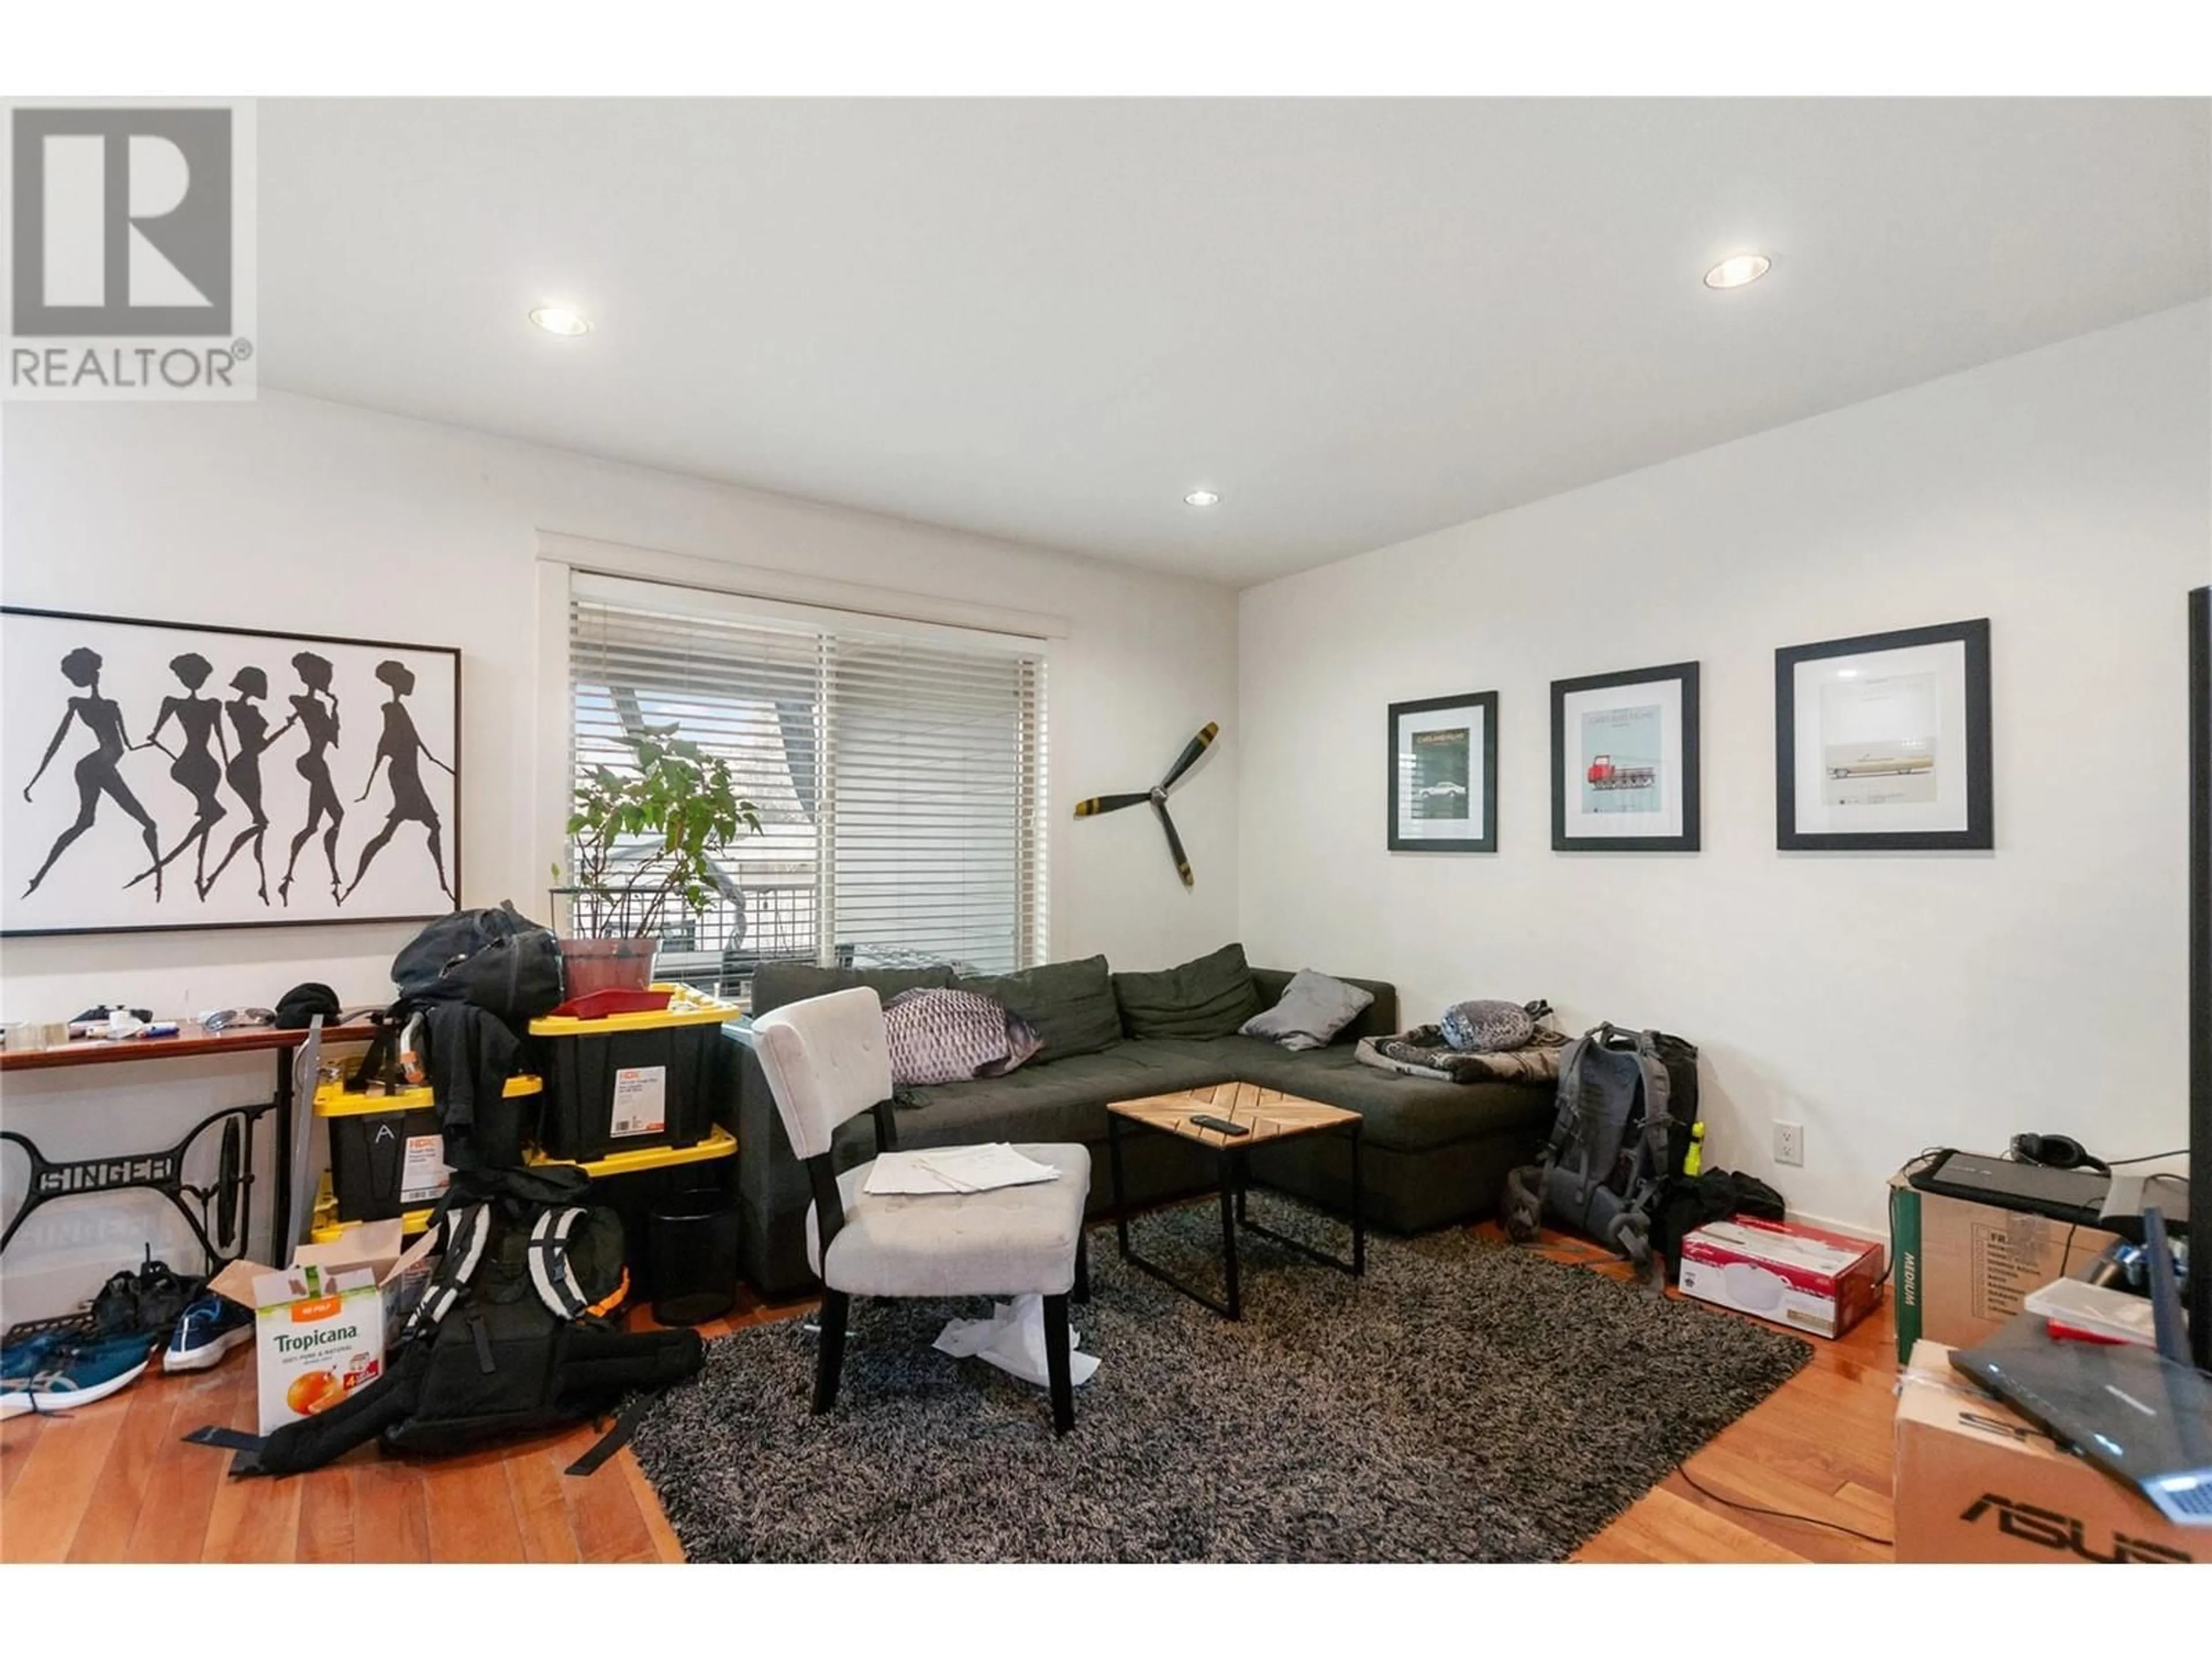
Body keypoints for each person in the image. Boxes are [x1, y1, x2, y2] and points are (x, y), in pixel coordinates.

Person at [21, 646, 165, 899]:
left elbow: (127, 746)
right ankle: (159, 881)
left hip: (100, 765)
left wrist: (153, 743)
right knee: (146, 823)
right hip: (95, 767)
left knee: (85, 822)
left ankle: (39, 876)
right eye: (92, 671)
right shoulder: (80, 705)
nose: (96, 675)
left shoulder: (112, 705)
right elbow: (57, 741)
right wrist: (34, 780)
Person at [342, 659, 453, 903]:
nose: (411, 684)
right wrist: (368, 788)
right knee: (402, 831)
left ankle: (444, 884)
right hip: (404, 776)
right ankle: (355, 882)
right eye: (407, 680)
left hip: (411, 775)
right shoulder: (392, 710)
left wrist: (442, 766)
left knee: (415, 829)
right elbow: (383, 745)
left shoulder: (400, 709)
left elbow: (419, 744)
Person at [125, 653, 230, 899]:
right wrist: (227, 764)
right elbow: (219, 739)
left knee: (211, 816)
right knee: (213, 814)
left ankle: (190, 875)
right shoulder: (193, 704)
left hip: (198, 766)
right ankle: (188, 872)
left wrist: (228, 765)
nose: (194, 680)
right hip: (196, 766)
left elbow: (155, 735)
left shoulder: (192, 704)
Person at [274, 651, 345, 907]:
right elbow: (330, 736)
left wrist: (335, 709)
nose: (329, 680)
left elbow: (334, 739)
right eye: (327, 675)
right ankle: (326, 877)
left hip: (317, 762)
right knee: (334, 817)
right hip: (312, 762)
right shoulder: (306, 703)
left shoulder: (318, 705)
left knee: (319, 823)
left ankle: (290, 877)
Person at [200, 666, 276, 903]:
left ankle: (260, 884)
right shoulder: (239, 709)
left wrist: (284, 730)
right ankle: (216, 875)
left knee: (261, 822)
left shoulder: (239, 708)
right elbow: (257, 745)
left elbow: (258, 746)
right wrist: (280, 731)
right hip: (245, 767)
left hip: (247, 765)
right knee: (261, 822)